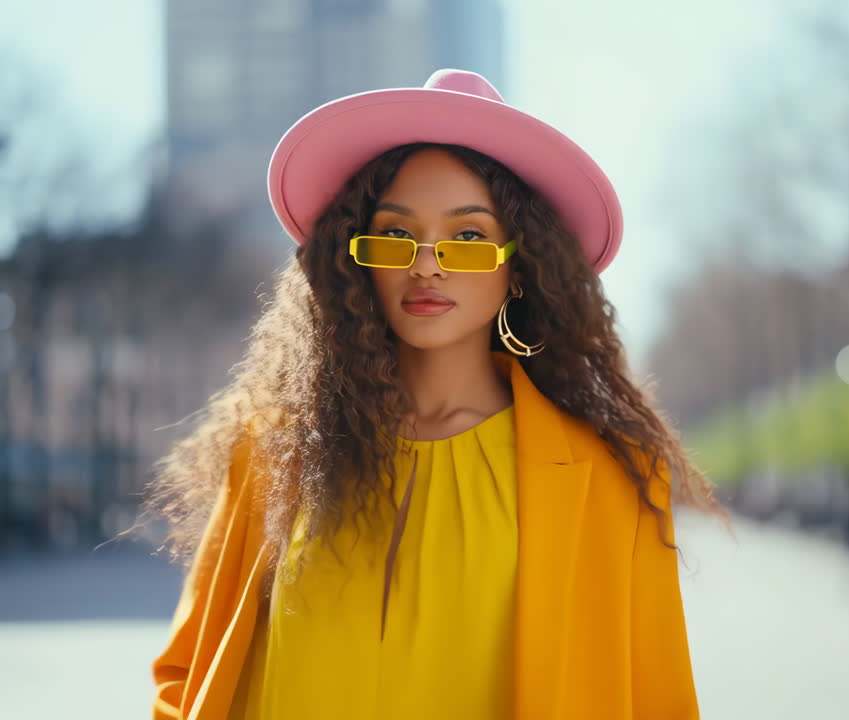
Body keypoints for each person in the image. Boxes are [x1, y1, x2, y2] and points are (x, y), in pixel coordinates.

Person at [146, 68, 719, 720]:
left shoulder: (608, 482)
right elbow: (189, 673)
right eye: (395, 235)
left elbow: (658, 703)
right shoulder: (276, 451)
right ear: (356, 259)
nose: (426, 262)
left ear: (521, 267)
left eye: (468, 238)